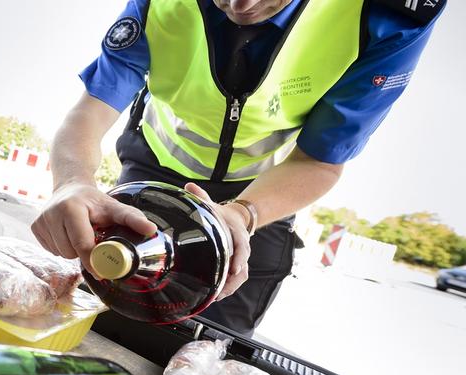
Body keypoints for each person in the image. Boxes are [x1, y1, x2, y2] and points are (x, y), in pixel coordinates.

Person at [31, 0, 445, 337]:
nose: (240, 4)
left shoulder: (389, 15)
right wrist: (71, 182)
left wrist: (243, 213)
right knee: (110, 319)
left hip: (263, 197)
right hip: (152, 178)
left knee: (213, 344)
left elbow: (319, 161)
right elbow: (92, 109)